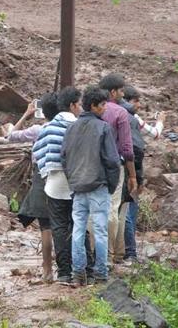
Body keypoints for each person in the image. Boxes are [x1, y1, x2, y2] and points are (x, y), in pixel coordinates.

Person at [62, 86, 121, 285]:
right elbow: (112, 161)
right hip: (98, 186)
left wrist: (73, 181)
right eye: (103, 105)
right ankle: (101, 274)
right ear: (94, 106)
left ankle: (78, 274)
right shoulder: (103, 128)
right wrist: (111, 186)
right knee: (100, 230)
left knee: (79, 229)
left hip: (78, 188)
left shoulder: (71, 127)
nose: (106, 108)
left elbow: (64, 158)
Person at [32, 86, 82, 283]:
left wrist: (46, 173)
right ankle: (83, 269)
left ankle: (63, 272)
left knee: (58, 227)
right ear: (72, 105)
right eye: (79, 103)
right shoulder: (81, 125)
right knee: (78, 225)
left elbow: (38, 153)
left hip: (54, 183)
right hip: (79, 181)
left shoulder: (48, 128)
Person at [12, 93, 59, 282]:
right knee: (64, 225)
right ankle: (67, 268)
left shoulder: (38, 129)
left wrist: (26, 114)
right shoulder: (67, 127)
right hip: (63, 176)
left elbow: (10, 135)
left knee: (45, 227)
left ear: (43, 112)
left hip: (41, 178)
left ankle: (47, 271)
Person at [121, 85, 165, 263]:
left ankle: (123, 250)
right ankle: (130, 252)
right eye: (136, 101)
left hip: (121, 166)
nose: (137, 105)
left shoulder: (116, 114)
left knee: (123, 210)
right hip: (131, 167)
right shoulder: (133, 118)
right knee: (129, 209)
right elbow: (155, 133)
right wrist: (161, 120)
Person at [98, 73, 137, 263]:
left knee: (93, 208)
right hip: (114, 167)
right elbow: (127, 149)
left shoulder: (91, 110)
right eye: (121, 90)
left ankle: (96, 252)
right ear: (113, 92)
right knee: (113, 208)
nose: (123, 94)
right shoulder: (121, 113)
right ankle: (109, 253)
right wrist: (133, 175)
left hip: (92, 166)